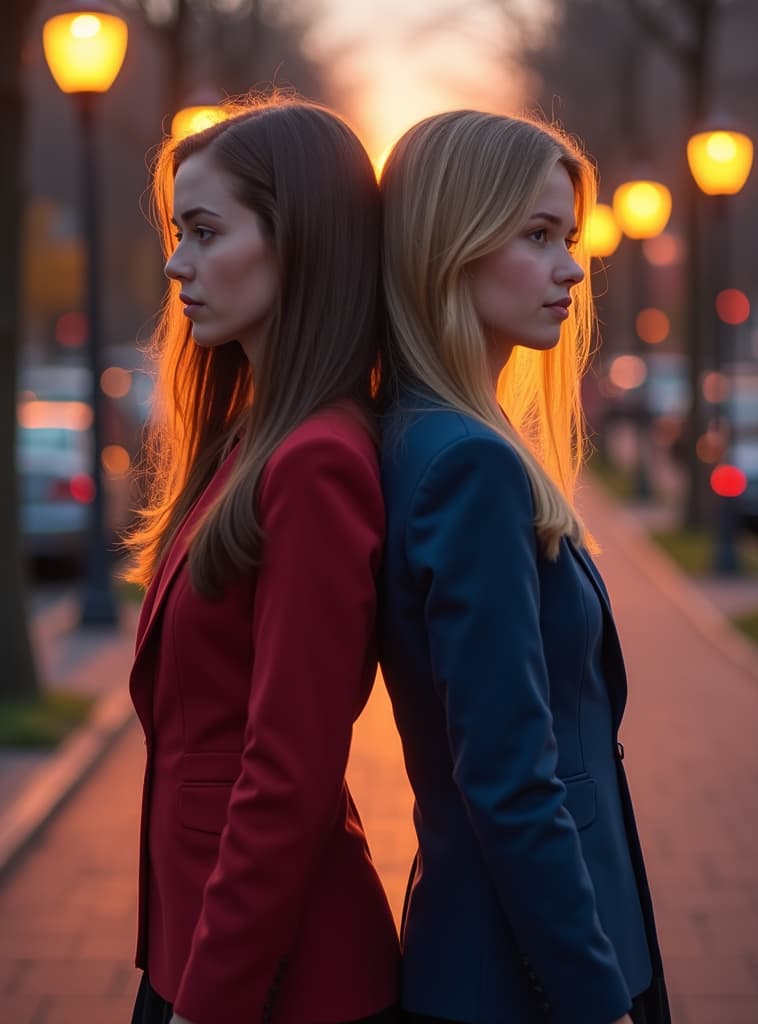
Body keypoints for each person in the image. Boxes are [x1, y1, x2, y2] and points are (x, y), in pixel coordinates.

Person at [376, 110, 670, 1024]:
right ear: (448, 245)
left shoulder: (427, 435)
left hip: (507, 954)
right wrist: (596, 1000)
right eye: (538, 236)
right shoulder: (468, 464)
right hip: (526, 974)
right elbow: (507, 779)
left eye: (569, 238)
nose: (572, 269)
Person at [123, 98, 401, 1024]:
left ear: (302, 242)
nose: (177, 263)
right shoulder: (251, 436)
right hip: (200, 943)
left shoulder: (315, 459)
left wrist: (211, 1000)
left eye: (205, 232)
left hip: (270, 976)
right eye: (177, 231)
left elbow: (289, 771)